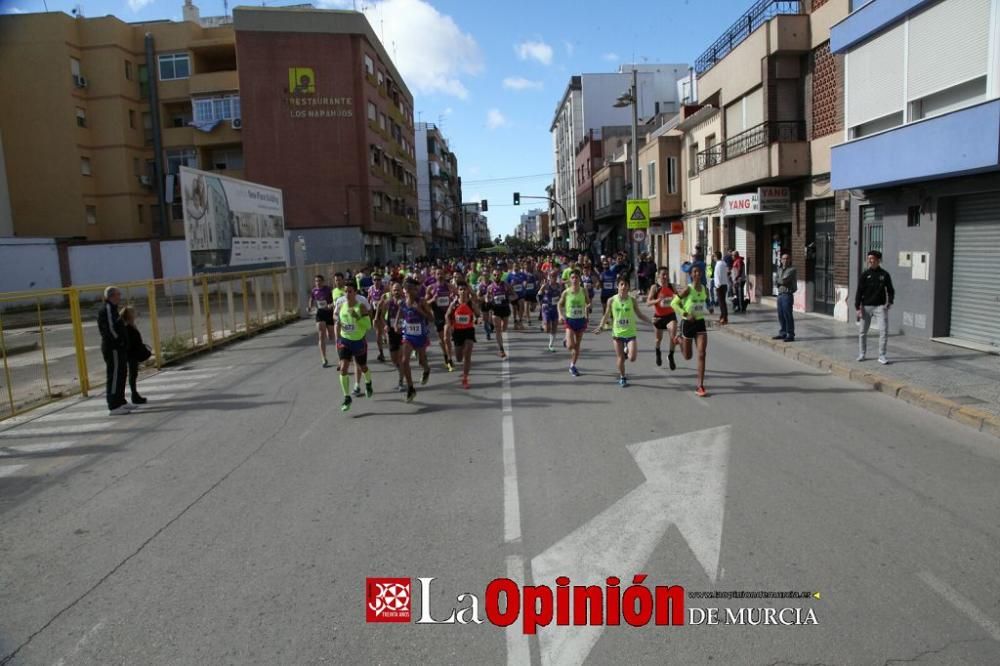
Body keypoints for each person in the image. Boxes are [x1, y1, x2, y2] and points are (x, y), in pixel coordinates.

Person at [594, 276, 653, 387]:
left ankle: (627, 351)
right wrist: (601, 327)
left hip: (630, 333)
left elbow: (639, 315)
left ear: (628, 287)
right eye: (621, 284)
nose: (624, 287)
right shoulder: (611, 300)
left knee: (632, 358)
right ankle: (622, 377)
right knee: (620, 358)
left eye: (626, 284)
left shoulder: (632, 300)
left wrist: (651, 322)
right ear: (617, 286)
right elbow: (606, 315)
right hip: (617, 333)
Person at [671, 264, 710, 397]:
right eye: (695, 272)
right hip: (687, 323)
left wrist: (709, 309)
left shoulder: (704, 289)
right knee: (688, 356)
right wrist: (685, 314)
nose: (698, 274)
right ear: (691, 275)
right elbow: (674, 303)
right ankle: (680, 340)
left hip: (700, 323)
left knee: (702, 354)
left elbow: (705, 301)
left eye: (699, 272)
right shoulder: (688, 289)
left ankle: (700, 386)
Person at [335, 283, 373, 412]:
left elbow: (368, 326)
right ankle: (347, 397)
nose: (347, 294)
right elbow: (339, 320)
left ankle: (368, 383)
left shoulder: (360, 307)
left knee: (363, 367)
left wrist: (357, 317)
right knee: (343, 369)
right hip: (345, 341)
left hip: (358, 341)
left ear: (355, 293)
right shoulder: (341, 306)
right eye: (345, 291)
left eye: (350, 291)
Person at [396, 279, 434, 402]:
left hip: (420, 336)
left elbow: (431, 318)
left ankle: (426, 369)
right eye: (406, 290)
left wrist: (419, 310)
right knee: (404, 360)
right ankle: (411, 388)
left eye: (410, 290)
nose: (407, 293)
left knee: (421, 361)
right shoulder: (402, 302)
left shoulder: (422, 301)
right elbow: (400, 313)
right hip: (408, 336)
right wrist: (396, 323)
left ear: (415, 290)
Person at [855, 250, 895, 364]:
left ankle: (882, 355)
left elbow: (891, 290)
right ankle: (862, 353)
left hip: (880, 307)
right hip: (866, 307)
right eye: (869, 259)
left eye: (872, 258)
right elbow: (859, 291)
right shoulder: (864, 275)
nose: (870, 261)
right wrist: (857, 307)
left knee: (883, 331)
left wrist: (890, 302)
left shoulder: (885, 275)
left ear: (878, 260)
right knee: (862, 332)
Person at [97, 286, 132, 415]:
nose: (120, 296)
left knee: (122, 373)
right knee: (115, 375)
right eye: (118, 294)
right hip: (113, 348)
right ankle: (113, 405)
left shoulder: (113, 309)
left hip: (119, 348)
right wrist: (119, 341)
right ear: (111, 296)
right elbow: (110, 329)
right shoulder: (106, 309)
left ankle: (121, 401)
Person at [446, 283, 481, 389]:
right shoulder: (454, 304)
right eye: (460, 289)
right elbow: (447, 315)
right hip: (457, 332)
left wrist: (476, 317)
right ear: (458, 291)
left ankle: (465, 378)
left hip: (469, 330)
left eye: (464, 289)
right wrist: (450, 326)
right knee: (459, 358)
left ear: (467, 291)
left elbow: (478, 314)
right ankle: (461, 365)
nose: (463, 291)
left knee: (468, 352)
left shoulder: (471, 303)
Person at [558, 270, 592, 377]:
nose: (574, 279)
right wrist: (560, 315)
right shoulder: (566, 292)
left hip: (581, 320)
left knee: (577, 346)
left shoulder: (583, 291)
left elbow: (588, 302)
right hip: (570, 321)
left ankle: (572, 366)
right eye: (572, 277)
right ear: (569, 279)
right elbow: (559, 304)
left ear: (579, 279)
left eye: (576, 277)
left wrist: (588, 306)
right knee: (570, 346)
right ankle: (567, 340)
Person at [646, 267, 678, 370]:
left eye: (667, 274)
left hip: (670, 315)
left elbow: (678, 298)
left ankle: (671, 355)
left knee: (673, 334)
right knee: (658, 339)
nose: (665, 277)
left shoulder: (671, 286)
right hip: (659, 317)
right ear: (658, 276)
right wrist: (658, 300)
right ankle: (658, 351)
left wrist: (676, 298)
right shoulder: (654, 288)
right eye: (663, 274)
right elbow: (648, 302)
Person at [425, 268, 455, 371]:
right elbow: (425, 303)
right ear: (435, 276)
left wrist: (453, 298)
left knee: (447, 338)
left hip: (448, 314)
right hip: (437, 315)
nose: (440, 276)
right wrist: (433, 299)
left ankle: (450, 359)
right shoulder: (430, 288)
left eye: (442, 274)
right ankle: (445, 356)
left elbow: (458, 297)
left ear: (445, 275)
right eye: (438, 274)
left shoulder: (450, 287)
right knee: (442, 340)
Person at [121, 306, 151, 405]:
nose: (136, 314)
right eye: (133, 312)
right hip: (131, 354)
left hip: (132, 353)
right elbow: (130, 342)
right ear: (130, 315)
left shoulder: (130, 326)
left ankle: (134, 394)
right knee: (132, 375)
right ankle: (134, 394)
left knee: (133, 374)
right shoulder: (127, 327)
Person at [308, 275, 336, 367]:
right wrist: (310, 306)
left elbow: (334, 300)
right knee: (321, 335)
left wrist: (331, 305)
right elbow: (311, 298)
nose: (318, 283)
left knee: (331, 336)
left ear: (323, 281)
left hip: (329, 313)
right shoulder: (314, 290)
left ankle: (328, 331)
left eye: (319, 281)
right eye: (316, 281)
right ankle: (324, 358)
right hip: (320, 314)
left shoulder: (328, 289)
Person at [487, 270, 513, 359]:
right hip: (496, 310)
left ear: (501, 275)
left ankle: (501, 343)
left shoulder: (506, 285)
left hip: (505, 309)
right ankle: (501, 349)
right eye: (495, 275)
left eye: (498, 274)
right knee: (498, 329)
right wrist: (488, 302)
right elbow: (487, 298)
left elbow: (515, 295)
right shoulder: (490, 287)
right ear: (492, 276)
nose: (496, 276)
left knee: (504, 328)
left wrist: (508, 299)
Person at [773, 252, 797, 342]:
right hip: (780, 294)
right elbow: (776, 281)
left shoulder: (792, 270)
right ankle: (783, 332)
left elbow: (784, 280)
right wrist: (779, 280)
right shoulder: (779, 269)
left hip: (787, 294)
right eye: (783, 258)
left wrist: (779, 280)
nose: (785, 260)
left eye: (787, 258)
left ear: (790, 260)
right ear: (781, 260)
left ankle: (790, 334)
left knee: (788, 315)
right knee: (781, 315)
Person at [538, 270, 563, 352]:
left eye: (555, 276)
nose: (554, 278)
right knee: (547, 329)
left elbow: (560, 296)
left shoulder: (559, 286)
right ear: (550, 277)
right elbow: (538, 295)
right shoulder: (546, 286)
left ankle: (551, 345)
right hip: (546, 309)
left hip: (555, 309)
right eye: (552, 276)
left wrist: (561, 303)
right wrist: (541, 304)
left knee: (555, 327)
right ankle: (543, 326)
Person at [367, 273, 388, 362]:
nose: (377, 281)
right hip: (375, 312)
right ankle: (381, 353)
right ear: (372, 281)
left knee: (384, 331)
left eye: (378, 279)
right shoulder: (371, 289)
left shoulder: (384, 288)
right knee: (378, 332)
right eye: (375, 280)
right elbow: (369, 299)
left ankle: (393, 351)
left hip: (383, 312)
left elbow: (385, 301)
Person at [713, 251, 730, 326]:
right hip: (724, 284)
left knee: (721, 303)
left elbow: (718, 276)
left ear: (716, 257)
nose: (713, 258)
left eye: (714, 256)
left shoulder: (718, 265)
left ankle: (724, 318)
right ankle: (722, 316)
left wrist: (717, 285)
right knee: (723, 302)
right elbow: (726, 273)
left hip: (720, 286)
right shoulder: (724, 263)